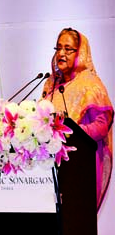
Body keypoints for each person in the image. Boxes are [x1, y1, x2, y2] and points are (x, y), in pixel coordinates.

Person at [41, 27, 113, 211]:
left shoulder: (89, 83)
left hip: (80, 163)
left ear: (80, 53)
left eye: (68, 48)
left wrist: (70, 133)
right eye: (58, 48)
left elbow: (101, 125)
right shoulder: (51, 83)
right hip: (48, 166)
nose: (61, 53)